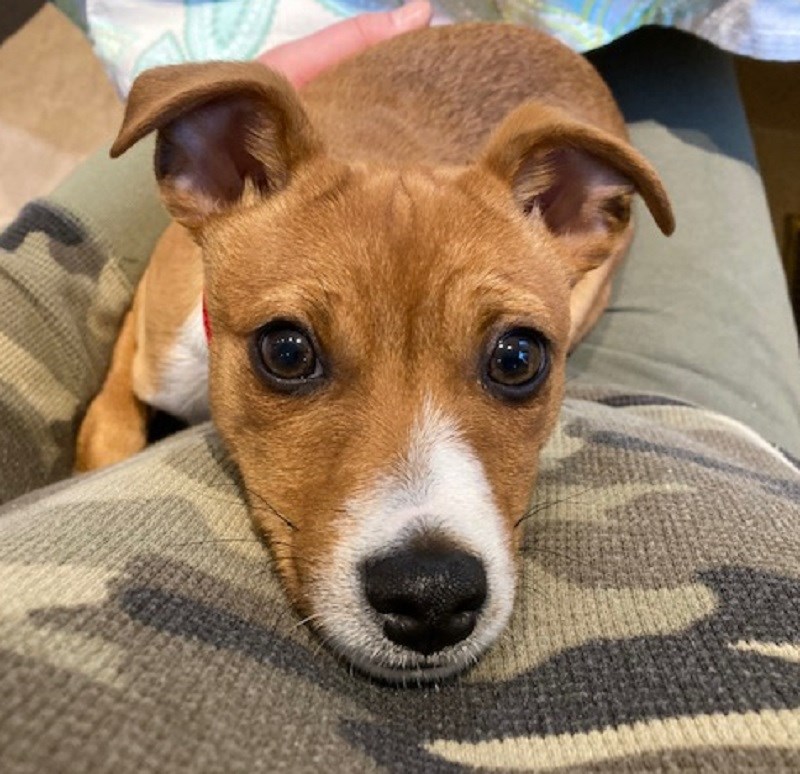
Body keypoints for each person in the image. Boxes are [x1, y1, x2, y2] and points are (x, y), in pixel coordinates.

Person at [0, 5, 798, 772]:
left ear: (569, 218)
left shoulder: (538, 223)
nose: (423, 515)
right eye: (291, 353)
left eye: (512, 362)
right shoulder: (218, 267)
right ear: (208, 178)